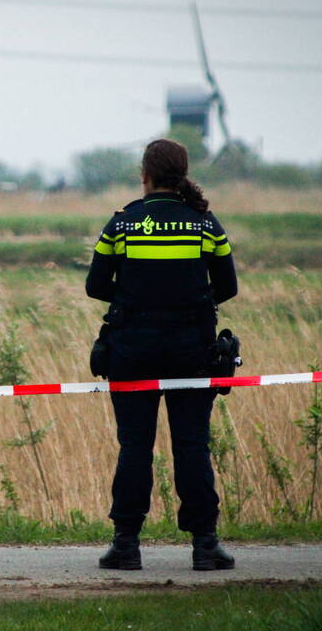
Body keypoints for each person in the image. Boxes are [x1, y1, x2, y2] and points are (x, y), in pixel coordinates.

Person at [85, 138, 238, 571]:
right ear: (183, 174)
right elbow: (227, 287)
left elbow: (96, 287)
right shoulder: (206, 224)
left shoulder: (123, 224)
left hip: (132, 349)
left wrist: (136, 300)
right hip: (193, 349)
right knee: (192, 443)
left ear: (145, 175)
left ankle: (126, 545)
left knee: (134, 444)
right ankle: (205, 546)